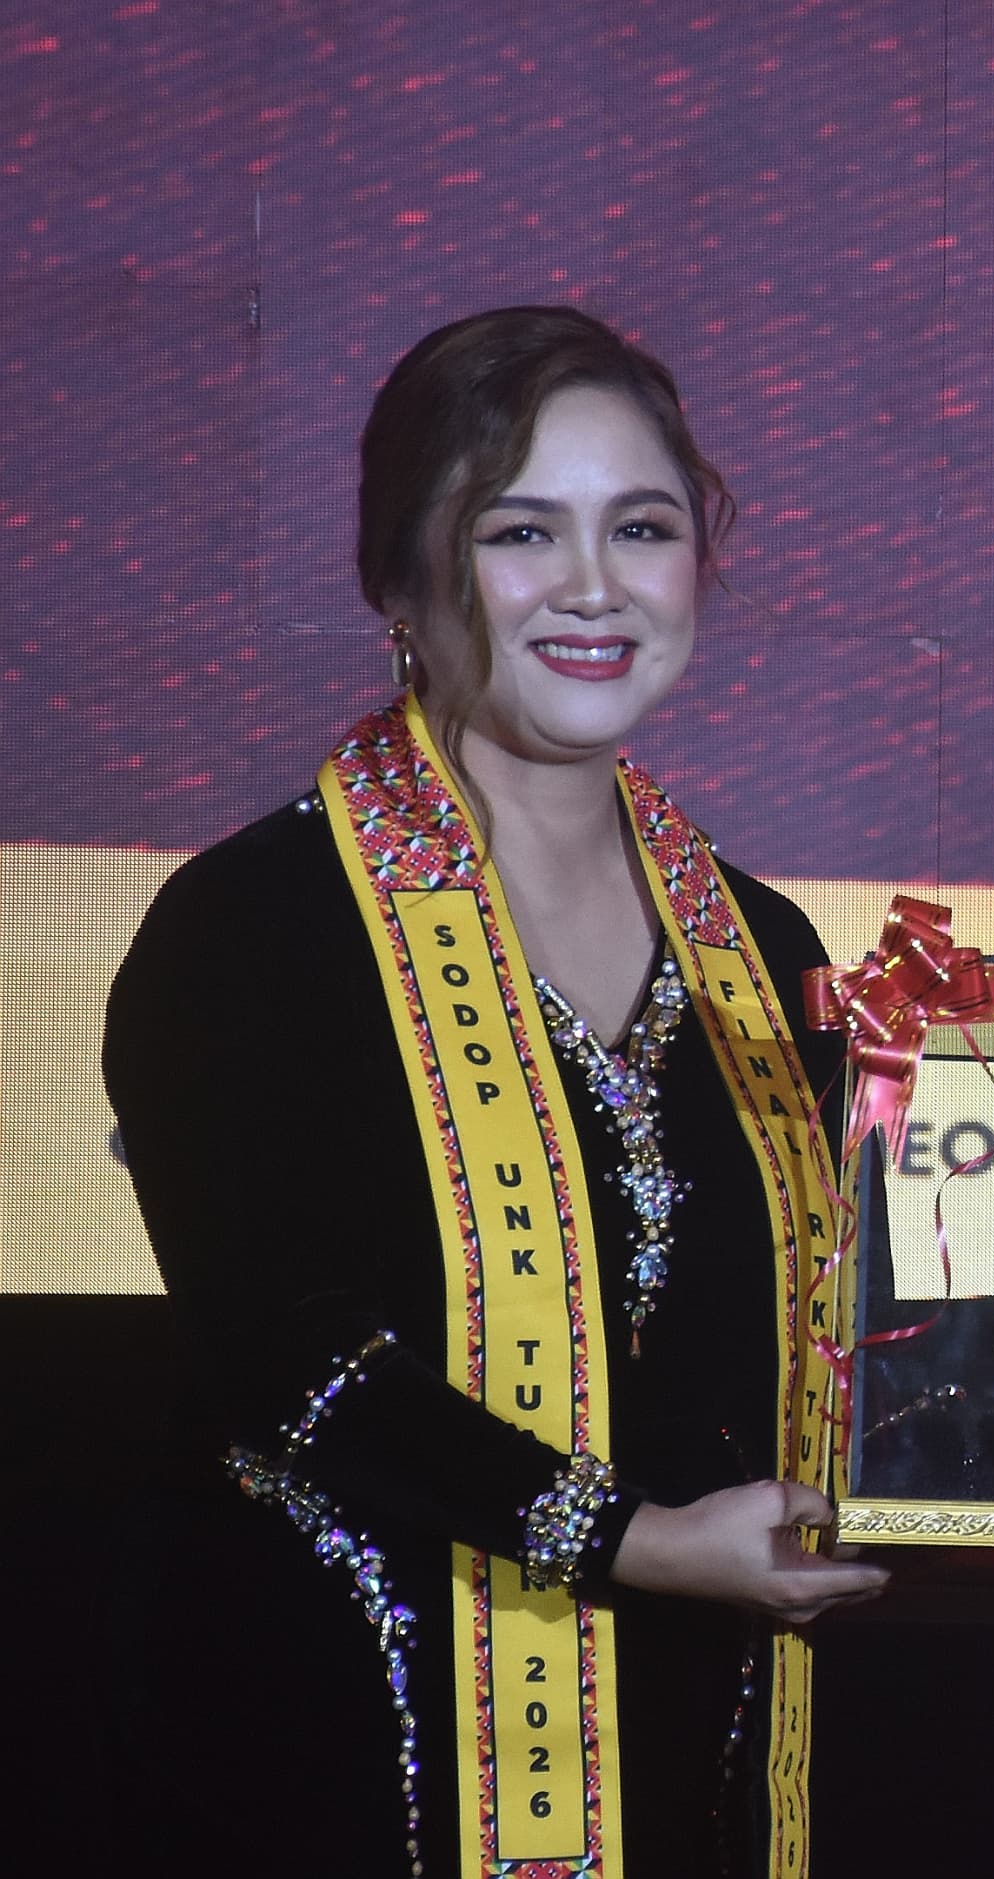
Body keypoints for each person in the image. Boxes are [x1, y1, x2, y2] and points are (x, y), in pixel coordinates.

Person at [103, 305, 886, 1877]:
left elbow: (826, 1363)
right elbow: (290, 1364)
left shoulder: (768, 951)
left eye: (642, 528)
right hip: (350, 1766)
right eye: (520, 532)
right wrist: (636, 1543)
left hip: (689, 1760)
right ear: (398, 581)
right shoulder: (255, 927)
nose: (595, 586)